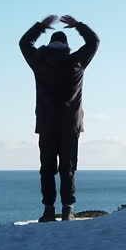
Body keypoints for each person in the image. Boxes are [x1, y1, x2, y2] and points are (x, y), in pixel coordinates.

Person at [19, 14, 99, 222]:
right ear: (66, 46)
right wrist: (78, 25)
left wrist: (41, 26)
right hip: (70, 126)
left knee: (47, 168)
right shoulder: (76, 62)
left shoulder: (39, 62)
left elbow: (24, 43)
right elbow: (94, 42)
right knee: (68, 167)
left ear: (50, 44)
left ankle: (48, 210)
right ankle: (67, 210)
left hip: (46, 124)